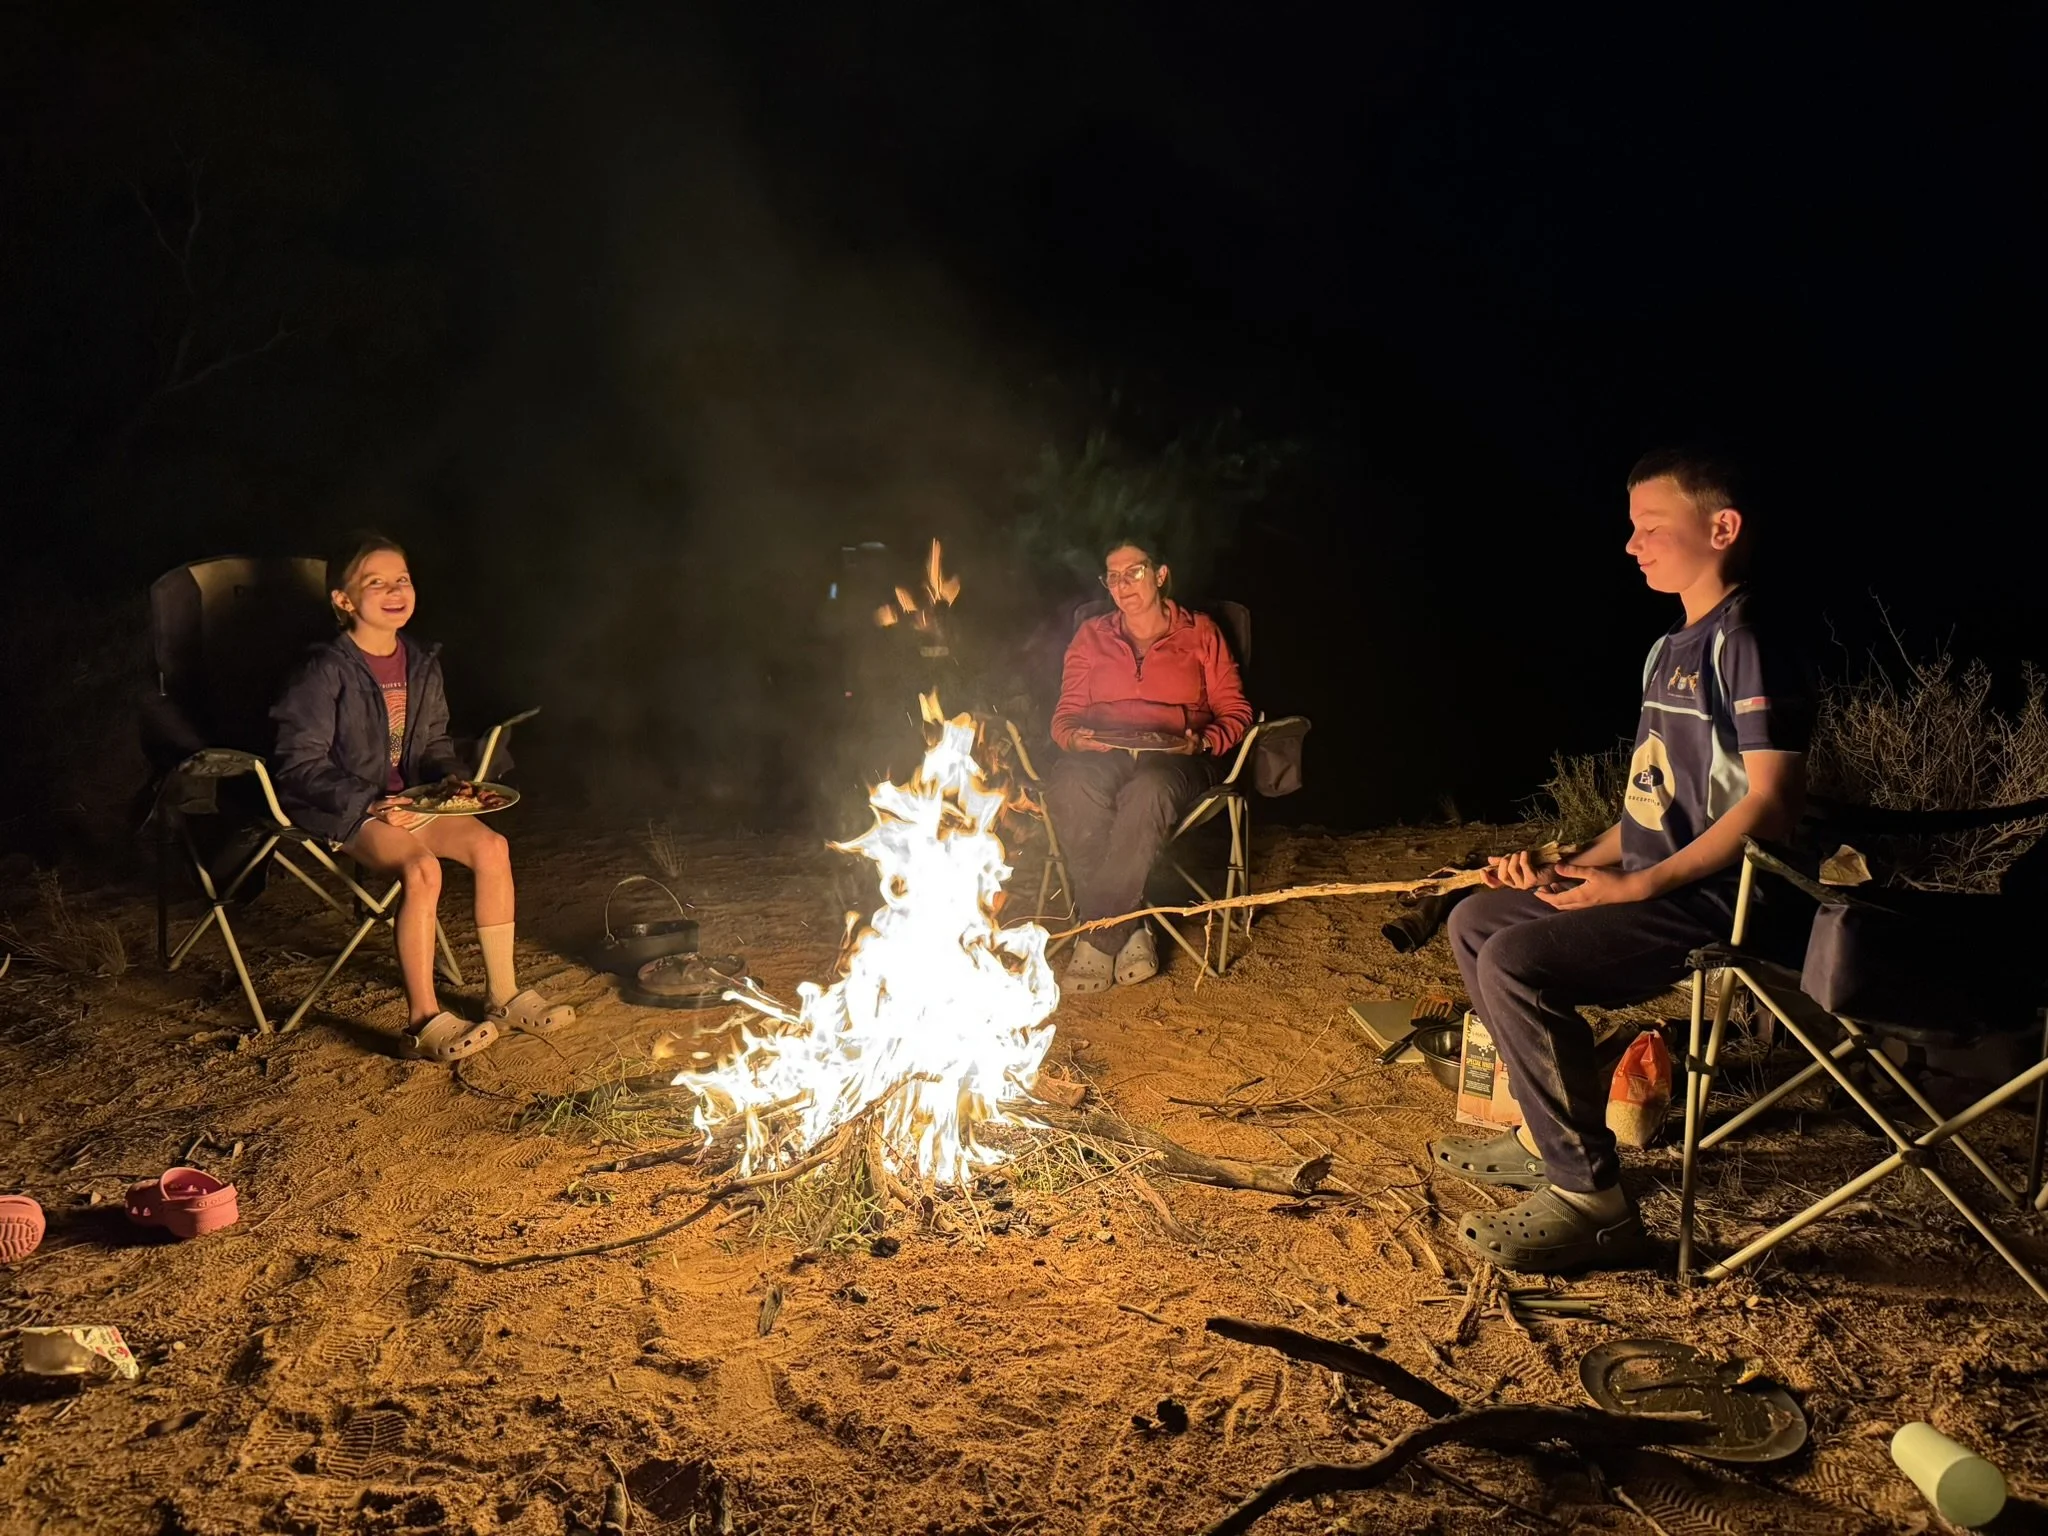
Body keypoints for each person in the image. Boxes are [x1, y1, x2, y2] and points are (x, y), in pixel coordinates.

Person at [1429, 449, 1812, 1273]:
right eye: (1629, 528)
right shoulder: (1669, 648)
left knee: (1516, 963)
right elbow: (1649, 807)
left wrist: (1634, 884)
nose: (1632, 545)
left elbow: (1771, 804)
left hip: (1720, 898)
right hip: (1654, 882)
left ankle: (1594, 1201)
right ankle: (1546, 1135)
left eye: (1649, 527)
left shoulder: (1746, 641)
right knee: (1476, 921)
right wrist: (1568, 856)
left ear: (1722, 527)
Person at [270, 535, 572, 1061]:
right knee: (422, 869)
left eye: (402, 580)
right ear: (343, 600)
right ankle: (424, 1021)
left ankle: (502, 995)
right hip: (343, 807)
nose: (394, 590)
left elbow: (433, 742)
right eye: (376, 582)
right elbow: (297, 764)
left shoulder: (420, 661)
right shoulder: (324, 670)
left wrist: (452, 778)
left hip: (409, 801)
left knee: (492, 848)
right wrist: (368, 802)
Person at [1046, 538, 1253, 991]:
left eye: (1133, 572)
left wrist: (1203, 744)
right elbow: (1065, 715)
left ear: (1160, 575)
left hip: (1178, 760)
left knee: (1149, 792)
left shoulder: (1201, 633)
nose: (1122, 585)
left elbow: (1236, 712)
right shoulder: (1092, 636)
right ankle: (1132, 926)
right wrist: (1074, 738)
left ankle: (1098, 937)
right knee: (1071, 786)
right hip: (1105, 753)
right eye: (1113, 577)